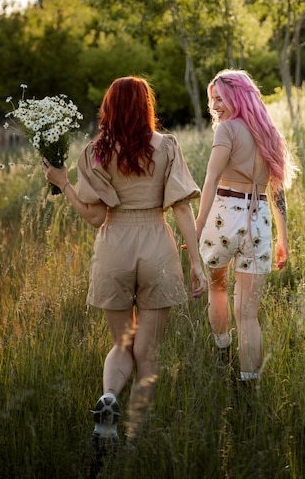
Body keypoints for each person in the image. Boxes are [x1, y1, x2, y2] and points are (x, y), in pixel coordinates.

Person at [42, 76, 206, 452]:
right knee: (147, 353)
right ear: (146, 106)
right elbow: (181, 206)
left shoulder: (96, 152)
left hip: (115, 244)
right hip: (155, 241)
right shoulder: (166, 146)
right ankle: (134, 437)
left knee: (121, 343)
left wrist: (63, 183)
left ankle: (110, 402)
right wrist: (195, 262)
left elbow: (95, 216)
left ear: (109, 107)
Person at [195, 69, 295, 382]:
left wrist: (195, 228)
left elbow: (210, 180)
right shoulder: (269, 133)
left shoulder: (226, 130)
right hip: (259, 221)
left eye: (220, 100)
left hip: (224, 217)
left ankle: (223, 350)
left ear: (236, 97)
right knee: (248, 315)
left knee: (218, 291)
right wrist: (283, 238)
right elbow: (276, 192)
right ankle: (249, 386)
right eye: (212, 101)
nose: (215, 107)